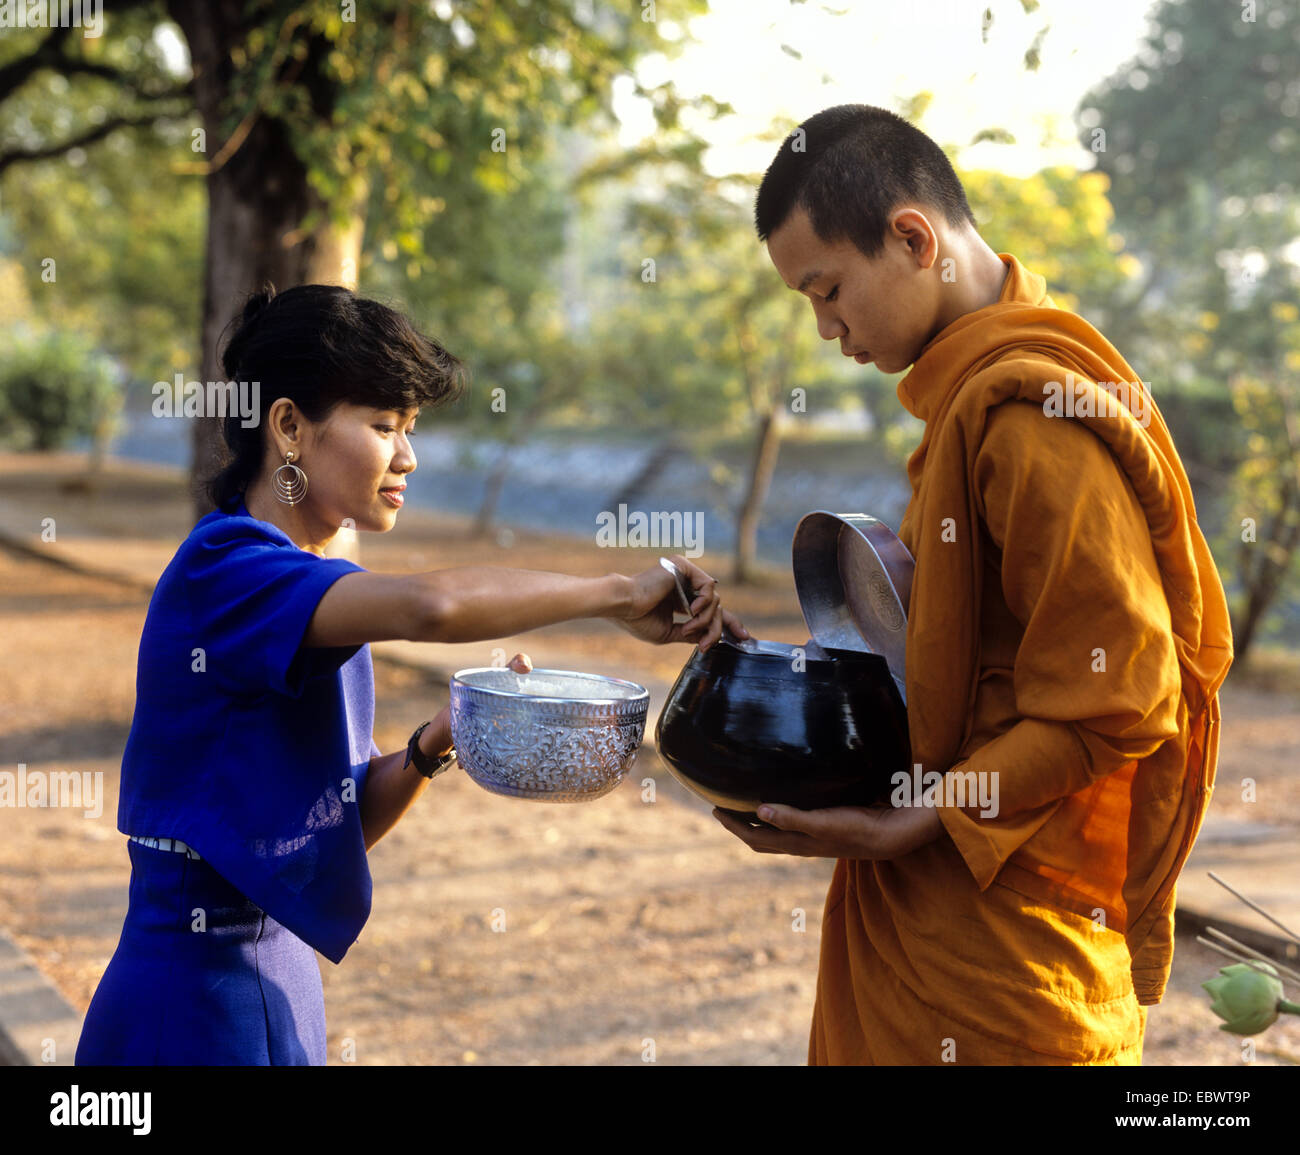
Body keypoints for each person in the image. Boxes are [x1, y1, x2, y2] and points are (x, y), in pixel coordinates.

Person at [75, 283, 747, 1066]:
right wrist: (618, 593)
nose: (408, 456)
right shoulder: (227, 570)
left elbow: (331, 829)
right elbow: (431, 605)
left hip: (275, 972)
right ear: (289, 425)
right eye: (384, 424)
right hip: (193, 997)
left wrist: (436, 742)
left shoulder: (302, 580)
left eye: (412, 427)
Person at [714, 104, 1233, 1065]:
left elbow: (1120, 698)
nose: (828, 329)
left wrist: (916, 819)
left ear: (913, 237)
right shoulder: (973, 395)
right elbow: (960, 663)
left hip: (1002, 954)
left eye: (828, 291)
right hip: (938, 924)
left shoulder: (1032, 419)